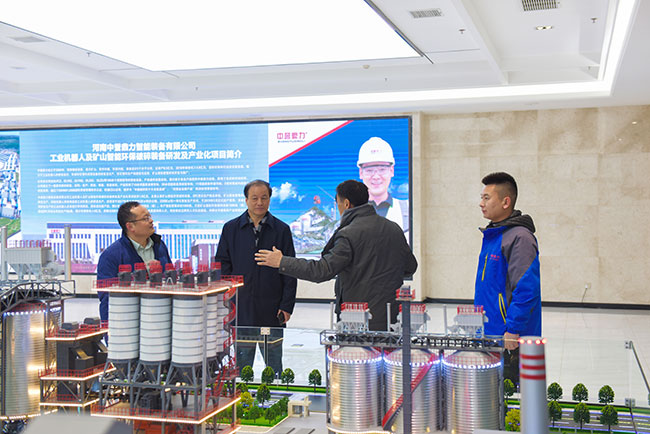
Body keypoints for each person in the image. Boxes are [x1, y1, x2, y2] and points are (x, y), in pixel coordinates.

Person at [255, 180, 417, 331]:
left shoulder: (349, 234)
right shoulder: (394, 228)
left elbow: (322, 271)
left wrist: (282, 262)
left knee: (357, 353)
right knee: (391, 353)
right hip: (393, 318)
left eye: (337, 203)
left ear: (346, 204)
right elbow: (410, 267)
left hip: (358, 318)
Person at [215, 179, 296, 377]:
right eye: (254, 198)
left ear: (269, 200)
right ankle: (242, 394)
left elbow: (290, 270)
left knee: (274, 366)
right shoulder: (231, 228)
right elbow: (222, 265)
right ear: (246, 200)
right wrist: (228, 301)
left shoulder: (281, 230)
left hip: (272, 307)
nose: (259, 202)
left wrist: (286, 306)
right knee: (242, 366)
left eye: (264, 198)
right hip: (241, 307)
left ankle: (275, 391)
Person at [475, 172, 541, 382]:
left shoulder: (520, 238)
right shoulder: (495, 235)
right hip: (492, 333)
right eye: (482, 197)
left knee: (512, 395)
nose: (481, 203)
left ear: (506, 202)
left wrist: (513, 329)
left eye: (487, 198)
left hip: (510, 339)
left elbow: (526, 290)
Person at [97, 201, 172, 321]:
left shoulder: (160, 246)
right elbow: (107, 298)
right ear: (130, 226)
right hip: (129, 320)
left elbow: (170, 281)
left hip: (161, 316)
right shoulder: (111, 256)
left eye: (150, 216)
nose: (151, 221)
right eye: (145, 218)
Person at [357, 137, 409, 234]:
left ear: (391, 171)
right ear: (361, 173)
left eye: (382, 170)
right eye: (369, 170)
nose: (376, 176)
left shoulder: (408, 210)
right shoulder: (350, 212)